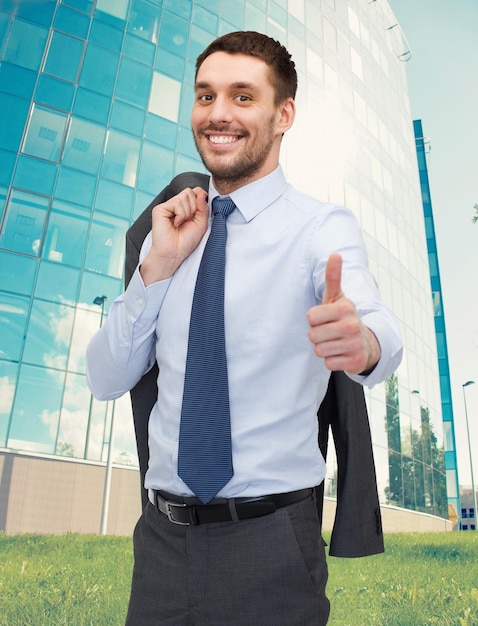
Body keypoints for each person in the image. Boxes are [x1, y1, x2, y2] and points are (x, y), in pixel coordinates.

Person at [86, 31, 402, 625]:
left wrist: (361, 342)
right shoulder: (171, 230)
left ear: (284, 115)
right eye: (205, 96)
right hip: (160, 543)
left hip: (271, 546)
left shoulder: (319, 228)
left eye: (241, 96)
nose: (218, 114)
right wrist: (155, 270)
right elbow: (104, 377)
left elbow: (379, 326)